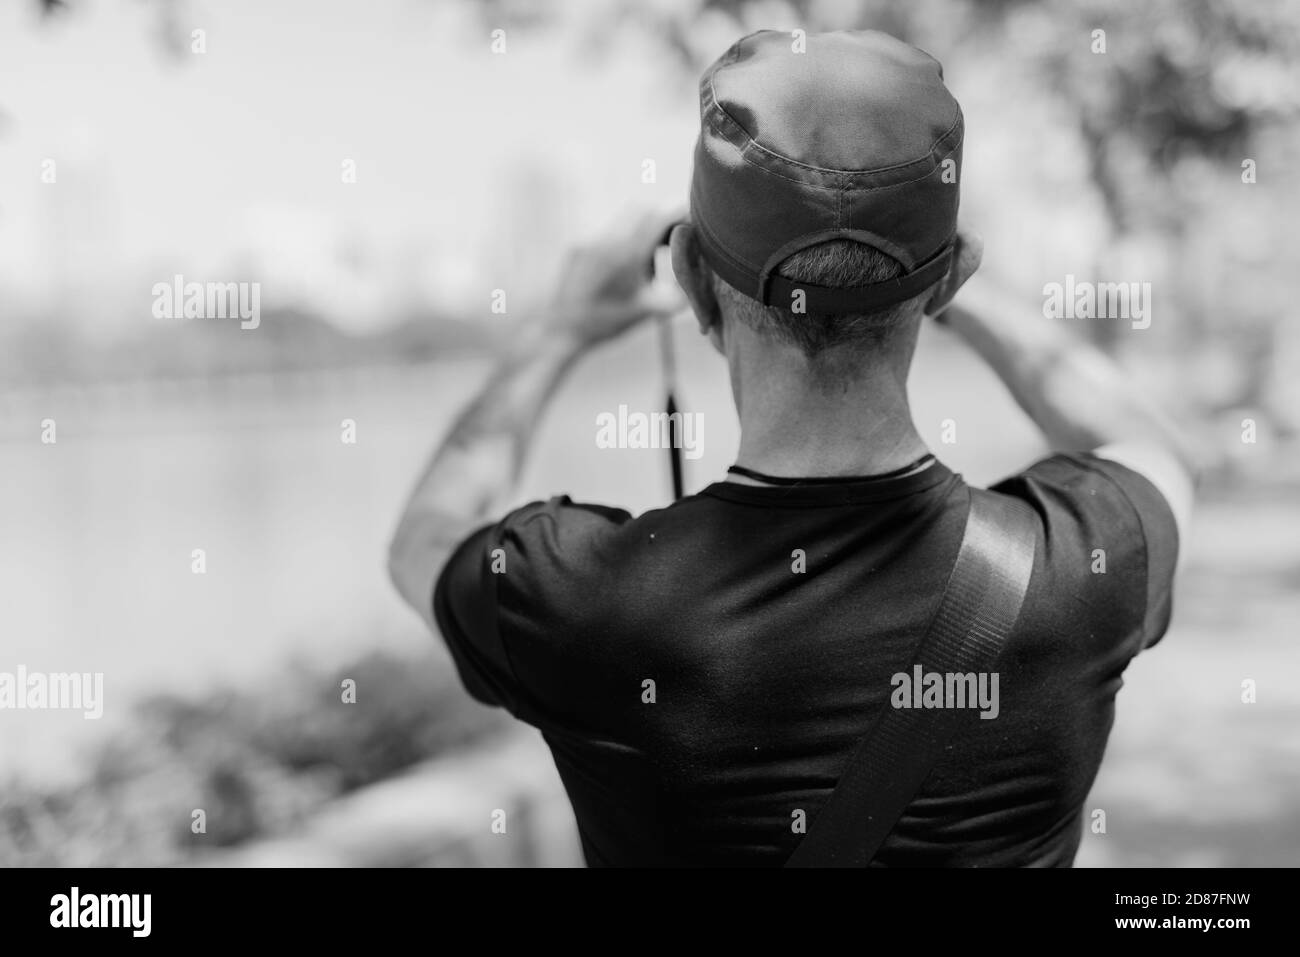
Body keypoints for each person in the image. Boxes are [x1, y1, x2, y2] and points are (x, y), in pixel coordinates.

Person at [388, 29, 1197, 866]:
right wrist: (931, 271)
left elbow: (422, 540)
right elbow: (1148, 445)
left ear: (694, 280)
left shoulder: (579, 600)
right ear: (955, 278)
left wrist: (558, 333)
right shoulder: (1086, 565)